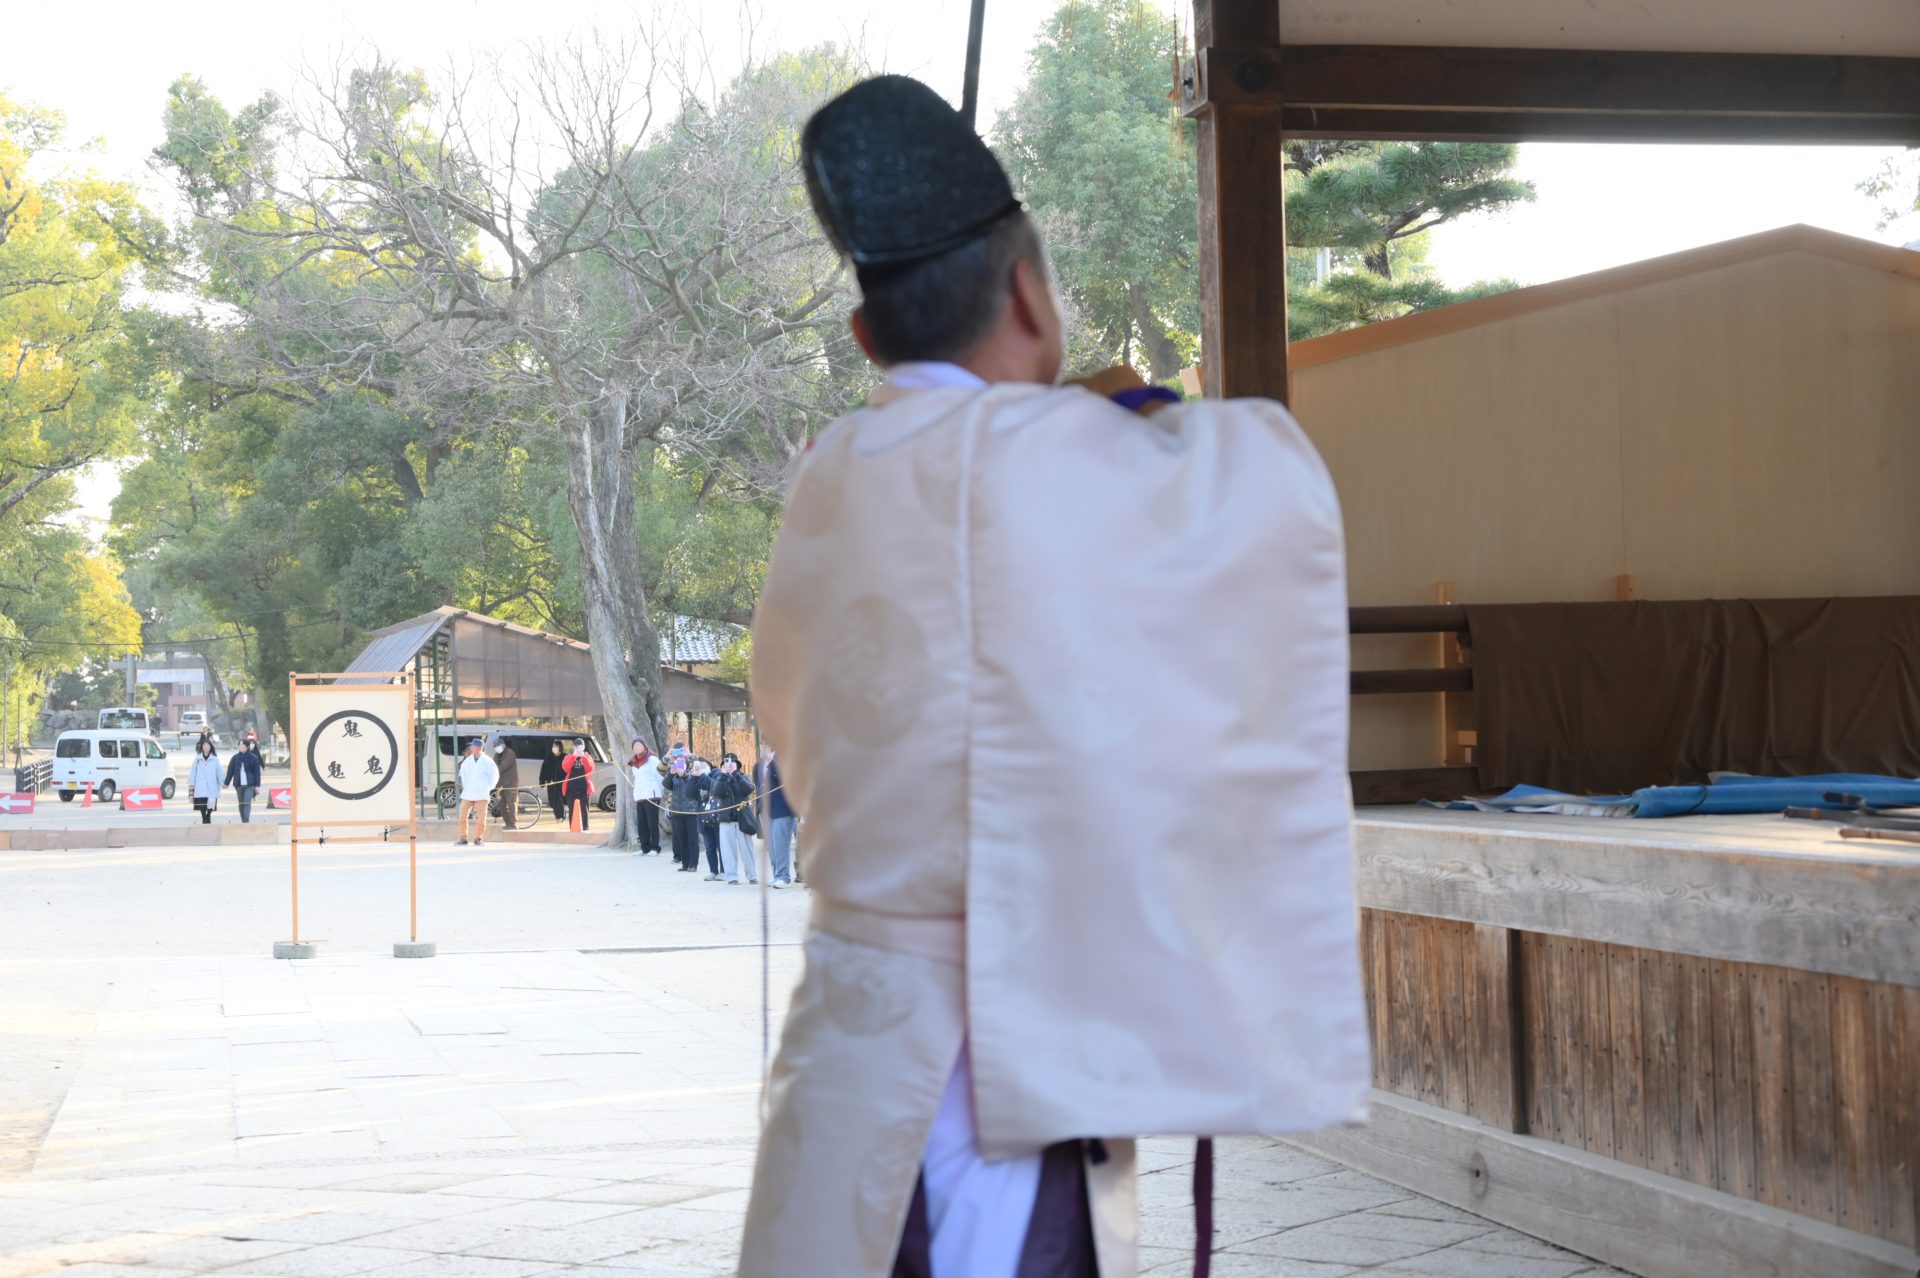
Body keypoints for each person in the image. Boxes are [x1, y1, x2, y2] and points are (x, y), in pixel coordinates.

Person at [737, 76, 1368, 1278]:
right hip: (1000, 1058)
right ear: (1029, 293)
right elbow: (1250, 488)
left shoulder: (828, 472)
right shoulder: (1065, 454)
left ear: (866, 338)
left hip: (849, 1040)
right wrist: (1123, 405)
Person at [711, 752, 757, 885]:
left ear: (737, 765)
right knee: (727, 849)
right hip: (726, 818)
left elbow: (749, 789)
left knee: (747, 849)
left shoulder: (743, 777)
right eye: (727, 763)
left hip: (742, 818)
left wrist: (736, 775)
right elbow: (717, 793)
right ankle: (731, 876)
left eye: (732, 763)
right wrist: (723, 776)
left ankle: (752, 875)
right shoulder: (720, 778)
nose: (730, 765)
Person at [757, 748, 796, 888]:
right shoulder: (764, 760)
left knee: (781, 845)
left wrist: (772, 761)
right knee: (772, 846)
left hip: (782, 807)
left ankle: (784, 877)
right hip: (767, 809)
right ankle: (777, 874)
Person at [455, 738, 498, 846]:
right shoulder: (467, 760)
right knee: (462, 815)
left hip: (481, 792)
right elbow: (462, 774)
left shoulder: (487, 761)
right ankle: (463, 838)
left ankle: (478, 838)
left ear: (479, 748)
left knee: (481, 817)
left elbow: (494, 776)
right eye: (471, 746)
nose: (471, 748)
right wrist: (466, 786)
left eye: (473, 746)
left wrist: (488, 787)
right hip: (468, 792)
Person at [665, 754, 702, 872]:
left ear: (687, 765)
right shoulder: (674, 778)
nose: (679, 766)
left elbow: (692, 783)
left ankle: (693, 864)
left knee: (692, 839)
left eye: (682, 763)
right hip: (677, 812)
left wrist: (683, 774)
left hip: (690, 812)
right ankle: (685, 864)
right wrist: (671, 773)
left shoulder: (692, 776)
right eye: (677, 763)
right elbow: (666, 784)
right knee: (682, 839)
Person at [631, 740, 664, 855]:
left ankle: (655, 847)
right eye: (635, 746)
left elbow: (660, 776)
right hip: (640, 796)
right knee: (641, 823)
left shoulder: (652, 759)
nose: (637, 748)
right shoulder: (634, 762)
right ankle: (645, 847)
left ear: (644, 746)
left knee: (652, 823)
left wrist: (658, 790)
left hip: (651, 795)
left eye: (639, 745)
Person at [690, 757, 722, 879]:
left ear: (709, 764)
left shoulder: (718, 774)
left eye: (703, 766)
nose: (701, 769)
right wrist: (693, 778)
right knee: (709, 847)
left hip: (717, 817)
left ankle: (724, 871)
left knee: (721, 846)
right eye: (699, 766)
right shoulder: (697, 778)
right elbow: (689, 793)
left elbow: (714, 786)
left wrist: (702, 775)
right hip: (703, 818)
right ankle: (713, 871)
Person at [224, 733, 264, 824]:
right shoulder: (235, 758)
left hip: (250, 785)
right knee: (241, 803)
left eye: (242, 745)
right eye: (239, 745)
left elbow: (257, 773)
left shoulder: (254, 758)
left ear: (247, 746)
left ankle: (246, 819)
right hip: (239, 785)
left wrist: (257, 785)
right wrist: (226, 783)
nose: (240, 747)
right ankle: (243, 819)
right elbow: (230, 771)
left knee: (247, 802)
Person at [560, 739, 595, 830]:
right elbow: (565, 768)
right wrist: (573, 757)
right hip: (571, 789)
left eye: (580, 747)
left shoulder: (588, 757)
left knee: (585, 809)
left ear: (583, 747)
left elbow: (590, 769)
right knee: (571, 809)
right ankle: (572, 828)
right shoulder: (569, 757)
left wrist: (583, 757)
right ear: (573, 747)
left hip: (584, 789)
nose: (578, 749)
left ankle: (585, 828)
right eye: (576, 747)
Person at [189, 739, 222, 824]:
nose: (206, 747)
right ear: (202, 747)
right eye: (204, 745)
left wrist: (223, 782)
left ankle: (208, 816)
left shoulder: (215, 759)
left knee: (211, 804)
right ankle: (204, 818)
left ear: (210, 747)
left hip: (212, 786)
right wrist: (192, 783)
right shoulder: (197, 759)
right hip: (200, 786)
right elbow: (193, 772)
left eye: (208, 745)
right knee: (202, 805)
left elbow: (219, 772)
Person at [493, 738, 520, 831]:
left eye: (497, 746)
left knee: (511, 804)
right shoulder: (497, 755)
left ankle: (513, 824)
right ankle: (507, 823)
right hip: (500, 785)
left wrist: (492, 771)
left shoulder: (510, 753)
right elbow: (494, 765)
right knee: (501, 805)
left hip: (511, 784)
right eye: (495, 746)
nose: (496, 748)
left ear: (503, 745)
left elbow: (502, 766)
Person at [539, 740, 567, 823]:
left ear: (560, 747)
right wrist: (542, 782)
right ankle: (558, 815)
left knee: (559, 800)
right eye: (553, 746)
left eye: (556, 746)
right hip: (551, 783)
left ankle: (560, 816)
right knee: (553, 801)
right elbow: (543, 771)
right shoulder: (549, 758)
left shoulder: (565, 757)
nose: (554, 748)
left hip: (562, 783)